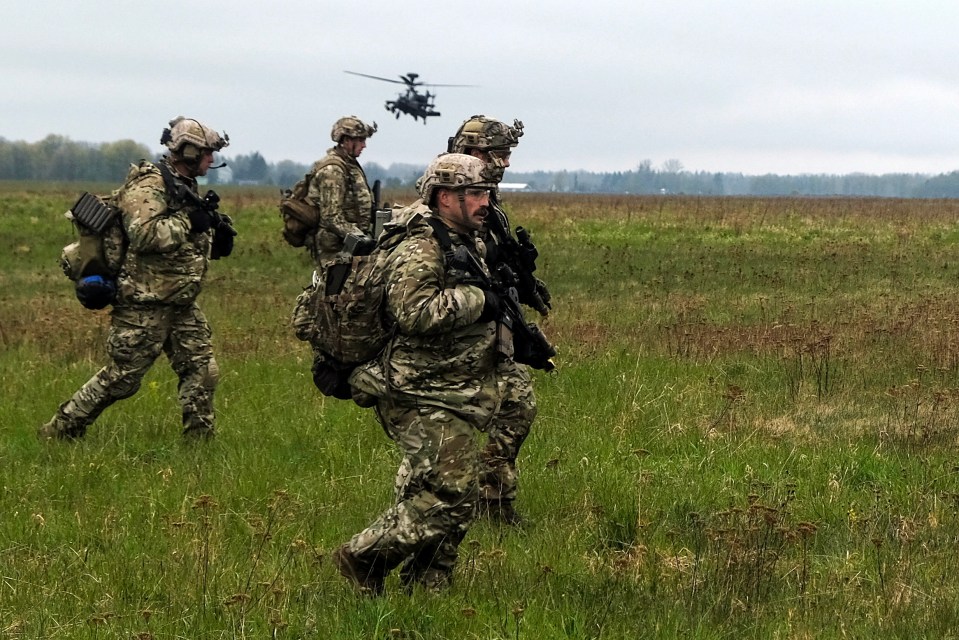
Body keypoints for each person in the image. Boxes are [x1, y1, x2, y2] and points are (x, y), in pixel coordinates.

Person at [333, 154, 502, 595]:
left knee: (448, 494)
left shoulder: (463, 238)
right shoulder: (421, 246)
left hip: (452, 386)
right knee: (449, 493)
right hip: (414, 388)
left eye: (486, 193)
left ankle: (427, 586)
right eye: (475, 194)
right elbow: (415, 312)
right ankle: (364, 556)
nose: (485, 202)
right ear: (445, 197)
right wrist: (478, 300)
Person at [38, 116, 233, 441]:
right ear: (188, 152)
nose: (211, 160)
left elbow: (179, 243)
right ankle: (60, 431)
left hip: (180, 302)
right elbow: (145, 235)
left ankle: (200, 448)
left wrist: (215, 231)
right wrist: (190, 222)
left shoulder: (183, 187)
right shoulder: (149, 186)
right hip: (144, 303)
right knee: (122, 378)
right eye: (207, 153)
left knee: (202, 371)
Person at [448, 115, 549, 525]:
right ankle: (468, 505)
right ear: (472, 152)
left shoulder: (487, 197)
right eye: (498, 154)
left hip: (488, 320)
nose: (504, 163)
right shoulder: (450, 197)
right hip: (458, 329)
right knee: (487, 414)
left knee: (517, 405)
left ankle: (493, 501)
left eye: (506, 154)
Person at [305, 116, 377, 267]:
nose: (364, 145)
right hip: (335, 248)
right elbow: (331, 217)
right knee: (335, 290)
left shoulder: (349, 165)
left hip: (350, 246)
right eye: (361, 140)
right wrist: (360, 238)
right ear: (346, 141)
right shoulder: (333, 171)